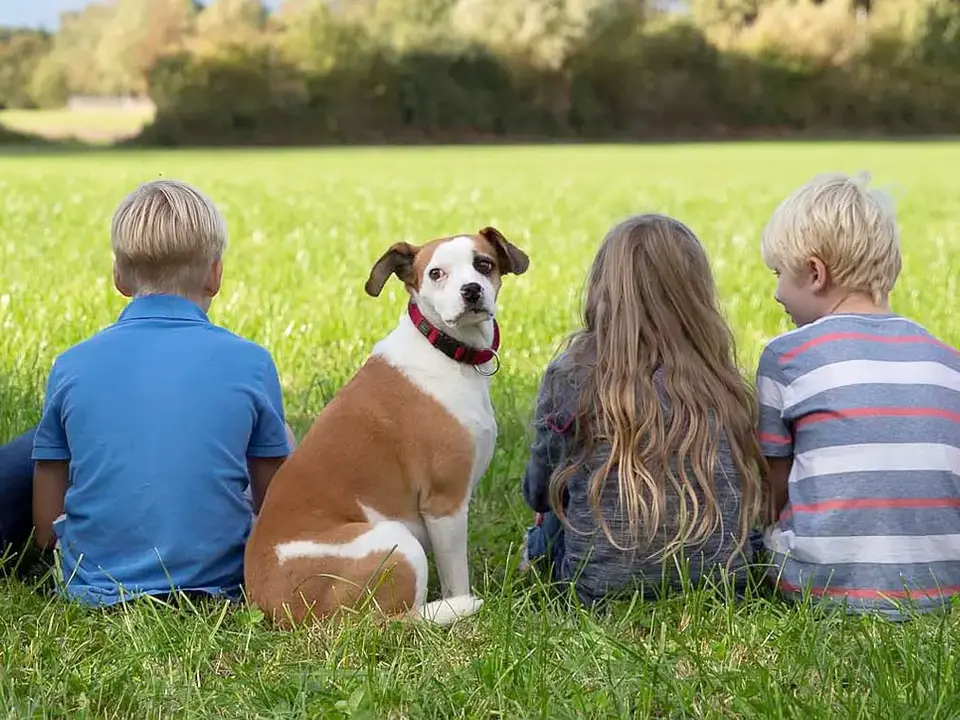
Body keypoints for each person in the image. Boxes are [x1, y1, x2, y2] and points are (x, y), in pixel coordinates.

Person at [13, 178, 293, 606]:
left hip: (92, 588)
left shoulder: (71, 364)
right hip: (221, 586)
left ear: (118, 276)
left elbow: (46, 530)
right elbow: (275, 511)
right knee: (280, 439)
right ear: (215, 275)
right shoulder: (251, 362)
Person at [519, 213, 771, 606]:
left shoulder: (572, 373)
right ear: (696, 294)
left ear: (603, 289)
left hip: (596, 590)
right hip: (724, 586)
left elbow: (538, 490)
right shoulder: (722, 379)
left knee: (550, 519)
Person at [755, 171, 960, 619]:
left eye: (778, 275)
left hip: (819, 586)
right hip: (943, 584)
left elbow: (772, 490)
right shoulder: (949, 363)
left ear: (814, 273)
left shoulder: (787, 357)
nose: (775, 293)